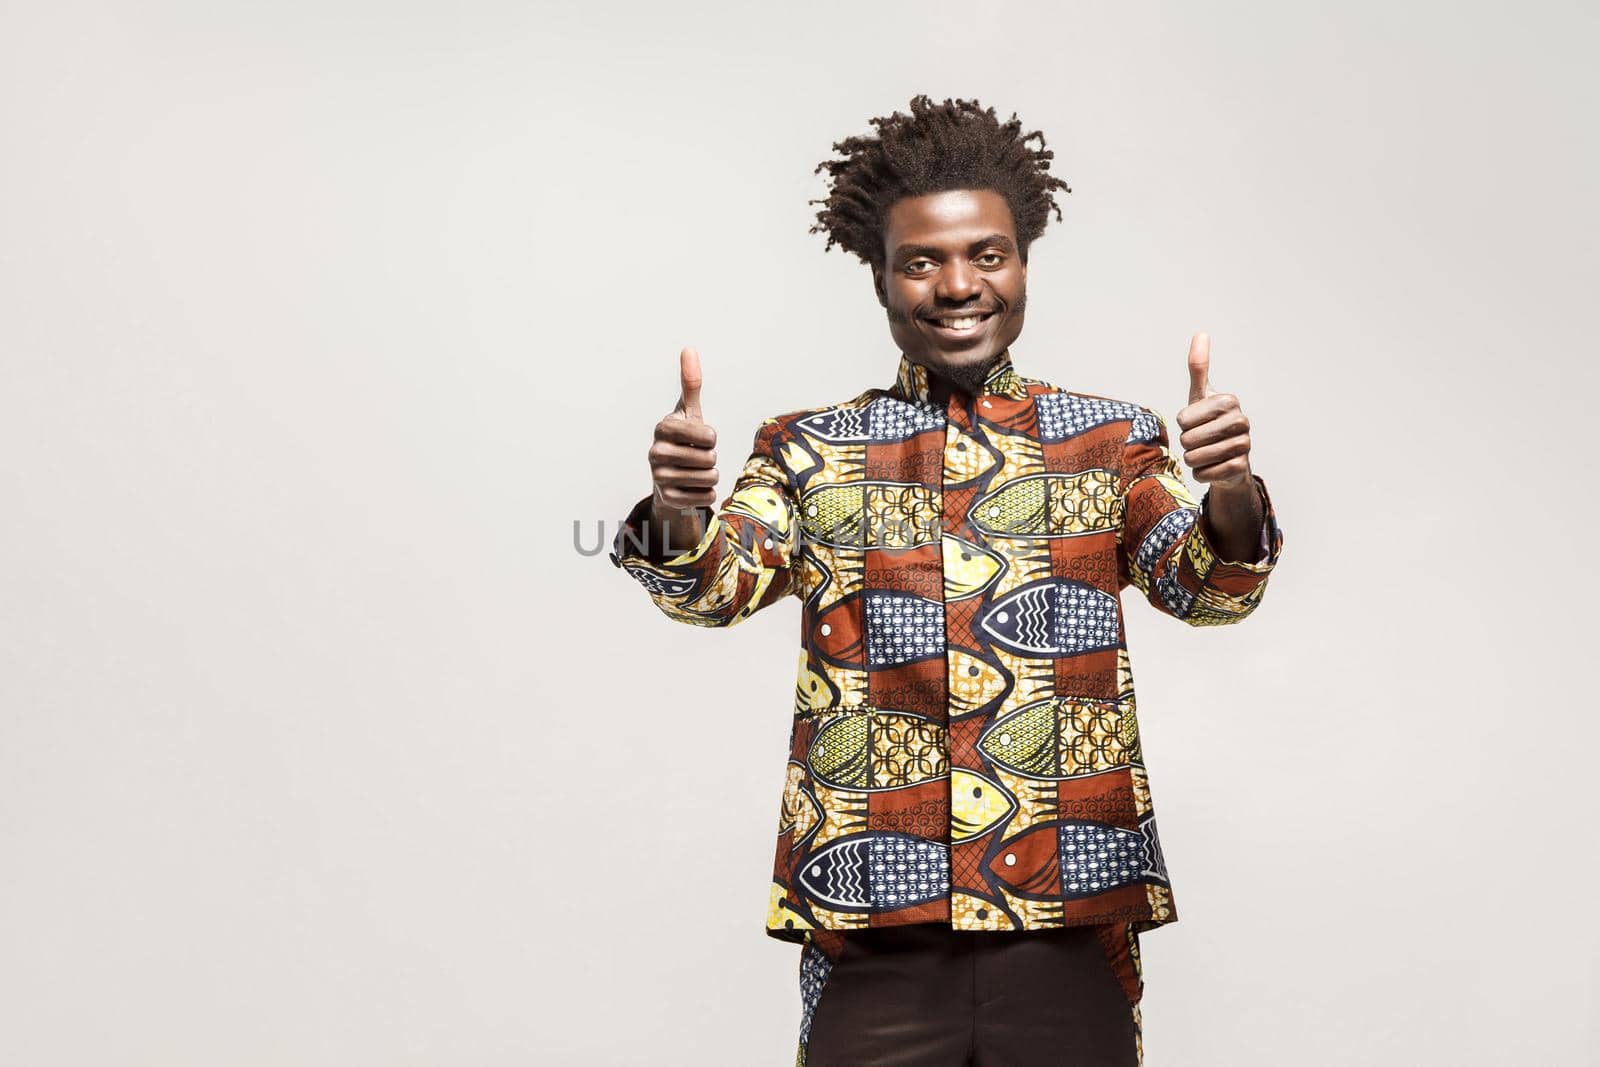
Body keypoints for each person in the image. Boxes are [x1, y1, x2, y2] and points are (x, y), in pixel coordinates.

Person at [608, 95, 1285, 1067]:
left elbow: (1208, 588)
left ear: (1021, 264)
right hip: (874, 920)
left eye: (987, 255)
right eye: (922, 261)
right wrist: (678, 513)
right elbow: (715, 584)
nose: (958, 284)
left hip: (1069, 916)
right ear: (880, 278)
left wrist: (1228, 491)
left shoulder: (1111, 439)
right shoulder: (807, 451)